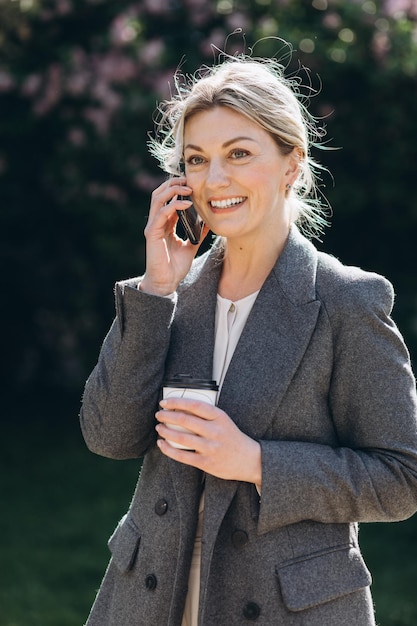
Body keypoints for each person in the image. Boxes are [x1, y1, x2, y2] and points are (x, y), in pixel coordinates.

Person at [80, 52, 417, 626]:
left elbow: (402, 477)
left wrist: (258, 462)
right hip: (149, 601)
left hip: (287, 608)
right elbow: (109, 436)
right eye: (197, 160)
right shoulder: (173, 294)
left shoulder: (347, 301)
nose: (215, 181)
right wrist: (157, 287)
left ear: (291, 163)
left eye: (239, 154)